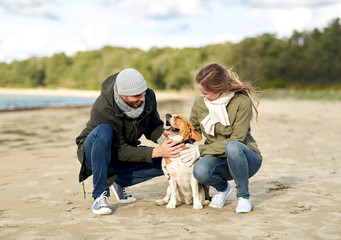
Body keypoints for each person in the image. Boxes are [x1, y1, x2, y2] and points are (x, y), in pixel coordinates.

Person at [76, 68, 184, 215]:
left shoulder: (149, 97)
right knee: (104, 131)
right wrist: (156, 151)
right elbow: (120, 149)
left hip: (125, 151)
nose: (143, 99)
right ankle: (99, 195)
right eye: (137, 95)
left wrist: (173, 144)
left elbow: (153, 126)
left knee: (169, 161)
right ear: (122, 95)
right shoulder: (103, 108)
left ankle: (119, 181)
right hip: (94, 152)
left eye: (144, 93)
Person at [180, 63, 262, 213]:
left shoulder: (241, 102)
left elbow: (237, 139)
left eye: (205, 92)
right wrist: (179, 142)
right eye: (200, 90)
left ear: (220, 90)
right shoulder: (200, 102)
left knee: (233, 147)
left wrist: (201, 150)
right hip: (218, 158)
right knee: (200, 170)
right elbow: (194, 130)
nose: (201, 95)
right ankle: (223, 189)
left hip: (246, 160)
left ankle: (243, 197)